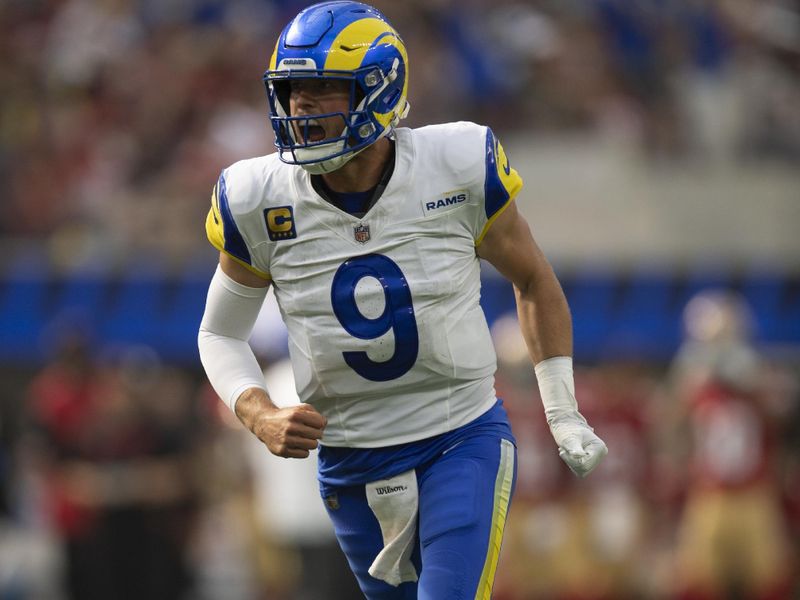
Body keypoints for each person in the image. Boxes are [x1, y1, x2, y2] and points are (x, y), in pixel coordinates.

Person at [197, 2, 608, 598]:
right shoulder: (256, 199)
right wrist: (258, 412)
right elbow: (220, 333)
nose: (300, 108)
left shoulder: (456, 165)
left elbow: (534, 281)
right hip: (350, 457)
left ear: (376, 91)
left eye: (321, 90)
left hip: (458, 436)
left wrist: (561, 409)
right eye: (292, 91)